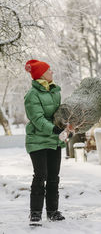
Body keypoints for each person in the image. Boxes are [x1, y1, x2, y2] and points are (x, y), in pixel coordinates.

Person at [24, 59, 67, 226]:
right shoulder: (32, 95)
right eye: (49, 70)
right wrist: (54, 129)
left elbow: (58, 114)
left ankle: (53, 212)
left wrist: (67, 123)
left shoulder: (55, 91)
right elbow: (37, 118)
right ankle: (35, 213)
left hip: (53, 139)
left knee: (53, 177)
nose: (52, 72)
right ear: (41, 74)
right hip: (38, 140)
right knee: (41, 175)